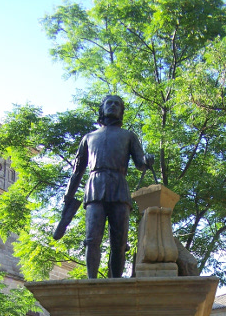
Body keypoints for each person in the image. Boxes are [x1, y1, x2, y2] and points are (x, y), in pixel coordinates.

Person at [58, 95, 154, 278]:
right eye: (109, 103)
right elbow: (77, 171)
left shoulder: (128, 136)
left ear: (121, 111)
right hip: (95, 187)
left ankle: (116, 282)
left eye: (117, 104)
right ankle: (91, 281)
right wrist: (68, 196)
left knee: (119, 241)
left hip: (119, 187)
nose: (113, 106)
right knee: (92, 239)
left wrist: (146, 160)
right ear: (102, 109)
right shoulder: (89, 137)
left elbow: (140, 163)